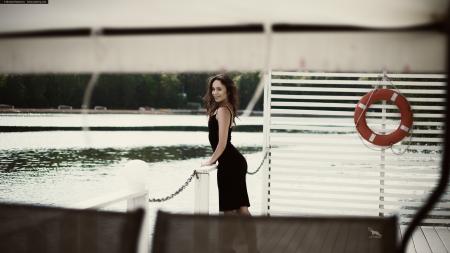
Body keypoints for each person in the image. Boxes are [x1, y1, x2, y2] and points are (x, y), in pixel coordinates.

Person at [201, 73, 251, 216]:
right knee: (240, 208)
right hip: (232, 162)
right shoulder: (224, 107)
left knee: (230, 209)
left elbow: (222, 142)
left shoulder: (223, 110)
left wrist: (211, 161)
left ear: (227, 91)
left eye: (219, 89)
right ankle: (251, 239)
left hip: (230, 164)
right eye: (213, 89)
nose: (214, 93)